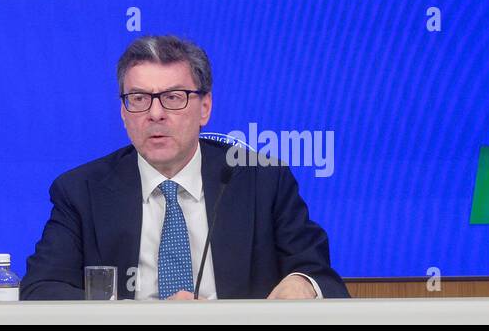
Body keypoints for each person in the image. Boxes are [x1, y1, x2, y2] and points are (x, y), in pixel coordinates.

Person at [21, 35, 347, 300]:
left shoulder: (264, 181)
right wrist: (137, 317)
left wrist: (303, 284)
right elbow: (40, 289)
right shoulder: (81, 191)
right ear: (123, 113)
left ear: (205, 108)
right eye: (138, 98)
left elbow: (321, 277)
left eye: (174, 97)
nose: (156, 113)